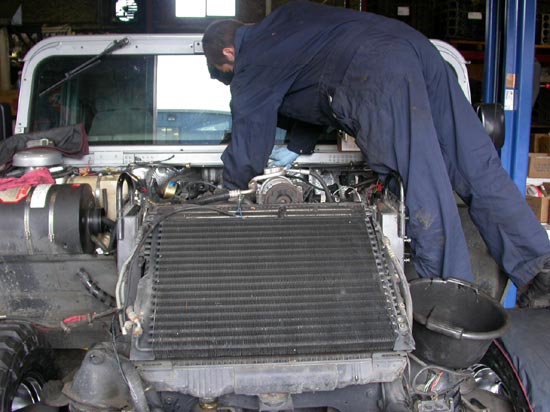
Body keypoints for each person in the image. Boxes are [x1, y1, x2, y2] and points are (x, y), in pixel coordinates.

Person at [202, 0, 550, 308]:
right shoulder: (289, 20)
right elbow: (316, 80)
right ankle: (540, 273)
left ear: (229, 54)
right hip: (419, 50)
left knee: (420, 183)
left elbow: (250, 136)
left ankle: (448, 304)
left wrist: (232, 193)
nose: (234, 79)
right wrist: (296, 146)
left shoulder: (252, 59)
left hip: (376, 70)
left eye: (228, 76)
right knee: (477, 165)